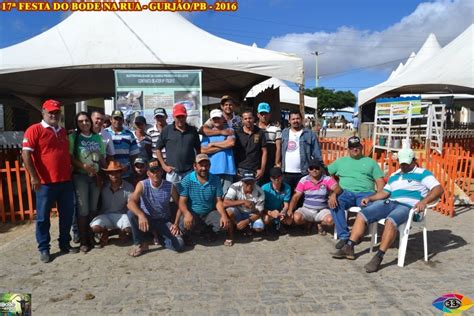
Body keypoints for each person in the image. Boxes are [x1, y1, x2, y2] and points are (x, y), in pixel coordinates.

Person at [332, 148, 444, 273]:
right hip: (390, 202)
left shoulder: (423, 173)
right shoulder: (395, 175)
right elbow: (385, 193)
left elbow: (438, 189)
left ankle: (378, 256)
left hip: (408, 207)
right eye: (402, 163)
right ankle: (350, 246)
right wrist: (370, 198)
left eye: (407, 163)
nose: (404, 166)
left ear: (414, 161)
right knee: (362, 214)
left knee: (390, 221)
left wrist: (424, 201)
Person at [22, 99, 78, 263]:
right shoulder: (34, 130)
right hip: (45, 183)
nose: (54, 115)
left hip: (65, 181)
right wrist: (34, 176)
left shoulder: (62, 131)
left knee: (67, 215)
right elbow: (25, 154)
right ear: (43, 113)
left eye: (56, 112)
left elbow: (65, 154)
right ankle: (44, 249)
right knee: (43, 218)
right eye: (50, 112)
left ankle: (64, 244)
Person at [328, 136, 386, 249]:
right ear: (348, 149)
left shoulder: (370, 162)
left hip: (366, 193)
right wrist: (333, 190)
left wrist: (379, 197)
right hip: (346, 192)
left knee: (371, 207)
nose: (355, 149)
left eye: (357, 147)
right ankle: (344, 236)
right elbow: (325, 174)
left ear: (361, 147)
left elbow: (380, 181)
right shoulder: (340, 162)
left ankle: (356, 235)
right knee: (335, 202)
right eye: (352, 147)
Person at [127, 159, 184, 257]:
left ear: (161, 172)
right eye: (152, 171)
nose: (155, 174)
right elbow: (130, 203)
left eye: (158, 171)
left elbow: (180, 205)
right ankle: (139, 243)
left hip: (163, 221)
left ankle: (160, 238)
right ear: (148, 173)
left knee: (179, 245)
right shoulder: (142, 184)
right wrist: (141, 215)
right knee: (131, 213)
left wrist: (176, 223)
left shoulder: (170, 186)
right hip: (147, 220)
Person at [69, 111, 106, 253]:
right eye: (81, 121)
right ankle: (83, 240)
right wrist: (82, 166)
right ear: (77, 124)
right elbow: (70, 157)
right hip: (81, 177)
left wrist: (104, 173)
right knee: (82, 209)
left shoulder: (97, 137)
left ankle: (91, 237)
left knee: (93, 208)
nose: (84, 123)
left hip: (95, 177)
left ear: (90, 122)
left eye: (86, 120)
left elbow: (102, 158)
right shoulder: (74, 137)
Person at [177, 154, 230, 245]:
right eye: (201, 165)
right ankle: (188, 235)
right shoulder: (187, 179)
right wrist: (186, 214)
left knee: (223, 223)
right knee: (183, 223)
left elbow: (218, 201)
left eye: (206, 165)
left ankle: (208, 231)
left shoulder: (215, 179)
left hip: (208, 212)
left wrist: (224, 215)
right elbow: (182, 202)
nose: (204, 168)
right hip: (193, 212)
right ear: (195, 166)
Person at [287, 159, 340, 235]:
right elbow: (296, 197)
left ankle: (318, 223)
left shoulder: (327, 179)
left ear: (321, 169)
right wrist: (290, 210)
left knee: (330, 220)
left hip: (322, 210)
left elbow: (338, 188)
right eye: (312, 168)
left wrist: (334, 194)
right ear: (308, 169)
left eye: (317, 168)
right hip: (307, 209)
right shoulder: (304, 180)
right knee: (296, 218)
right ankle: (310, 222)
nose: (314, 170)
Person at [89, 161, 133, 248]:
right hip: (105, 215)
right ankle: (105, 232)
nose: (114, 175)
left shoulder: (129, 187)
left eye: (117, 172)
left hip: (121, 215)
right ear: (108, 174)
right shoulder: (103, 185)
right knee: (95, 227)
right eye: (111, 173)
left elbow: (131, 205)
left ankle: (121, 231)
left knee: (129, 228)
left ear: (121, 173)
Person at [156, 104, 201, 185]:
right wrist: (163, 166)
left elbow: (198, 149)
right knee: (173, 197)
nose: (180, 119)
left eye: (182, 116)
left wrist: (196, 164)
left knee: (190, 196)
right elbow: (158, 149)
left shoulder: (193, 130)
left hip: (190, 172)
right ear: (173, 117)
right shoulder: (167, 130)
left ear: (186, 116)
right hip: (172, 172)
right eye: (178, 117)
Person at [281, 110, 323, 192]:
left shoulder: (309, 134)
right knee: (287, 197)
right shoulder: (284, 133)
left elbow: (317, 153)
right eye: (293, 119)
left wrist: (320, 167)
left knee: (301, 197)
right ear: (289, 121)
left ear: (301, 119)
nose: (295, 121)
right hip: (286, 172)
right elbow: (279, 150)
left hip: (303, 172)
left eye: (298, 118)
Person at [223, 171, 265, 246]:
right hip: (238, 212)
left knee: (259, 227)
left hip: (251, 214)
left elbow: (259, 212)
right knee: (229, 211)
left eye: (251, 182)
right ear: (242, 182)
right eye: (246, 182)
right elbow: (225, 203)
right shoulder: (235, 186)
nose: (249, 185)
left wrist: (246, 221)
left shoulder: (260, 192)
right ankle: (230, 235)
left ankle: (247, 228)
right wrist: (243, 202)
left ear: (255, 181)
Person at [201, 109, 236, 194]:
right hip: (212, 170)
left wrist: (213, 144)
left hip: (227, 169)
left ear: (223, 119)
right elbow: (203, 150)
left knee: (227, 197)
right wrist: (224, 145)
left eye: (218, 118)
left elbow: (231, 143)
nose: (216, 120)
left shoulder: (229, 130)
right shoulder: (207, 134)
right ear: (211, 120)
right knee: (213, 197)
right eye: (214, 119)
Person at [105, 110, 139, 183]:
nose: (117, 121)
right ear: (111, 119)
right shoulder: (104, 133)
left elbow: (134, 155)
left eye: (120, 119)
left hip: (126, 174)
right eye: (115, 118)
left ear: (123, 120)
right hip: (109, 175)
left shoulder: (129, 134)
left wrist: (130, 168)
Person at [233, 110, 267, 180]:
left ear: (254, 119)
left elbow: (264, 151)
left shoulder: (260, 132)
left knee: (254, 190)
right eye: (245, 119)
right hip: (240, 169)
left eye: (250, 118)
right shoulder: (237, 133)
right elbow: (233, 152)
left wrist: (262, 169)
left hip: (255, 170)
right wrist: (234, 168)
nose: (248, 120)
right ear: (242, 120)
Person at [256, 102, 282, 184]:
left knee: (269, 184)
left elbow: (278, 147)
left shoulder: (276, 128)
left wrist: (277, 163)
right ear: (258, 115)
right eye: (262, 113)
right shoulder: (253, 127)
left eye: (266, 113)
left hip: (270, 161)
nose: (264, 116)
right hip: (256, 162)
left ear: (270, 114)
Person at [261, 167, 292, 233]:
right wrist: (269, 212)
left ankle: (279, 224)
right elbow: (260, 206)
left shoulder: (287, 187)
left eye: (278, 176)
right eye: (274, 177)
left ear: (282, 176)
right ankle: (269, 225)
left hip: (279, 210)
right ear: (270, 178)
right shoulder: (264, 188)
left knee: (289, 221)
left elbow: (286, 205)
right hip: (267, 210)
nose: (276, 179)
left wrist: (283, 212)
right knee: (266, 219)